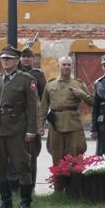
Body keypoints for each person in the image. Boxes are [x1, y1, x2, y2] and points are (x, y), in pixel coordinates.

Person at [0, 45, 39, 208]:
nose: (5, 61)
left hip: (17, 128)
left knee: (23, 165)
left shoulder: (26, 80)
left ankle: (25, 202)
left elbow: (32, 106)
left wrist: (32, 129)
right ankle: (6, 200)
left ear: (17, 61)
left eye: (8, 58)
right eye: (3, 58)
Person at [39, 56, 94, 184]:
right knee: (56, 155)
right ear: (59, 66)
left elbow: (92, 101)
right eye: (64, 65)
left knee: (75, 156)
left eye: (69, 65)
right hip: (55, 125)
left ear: (72, 66)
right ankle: (58, 187)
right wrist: (40, 125)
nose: (66, 67)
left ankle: (75, 187)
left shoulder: (78, 84)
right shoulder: (50, 84)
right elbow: (43, 106)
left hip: (73, 125)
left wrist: (82, 94)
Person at [19, 47, 47, 189]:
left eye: (29, 57)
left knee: (32, 154)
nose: (26, 59)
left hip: (33, 118)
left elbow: (44, 98)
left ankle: (32, 186)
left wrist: (41, 122)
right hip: (17, 119)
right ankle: (18, 185)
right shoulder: (15, 73)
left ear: (33, 59)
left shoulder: (38, 75)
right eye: (23, 57)